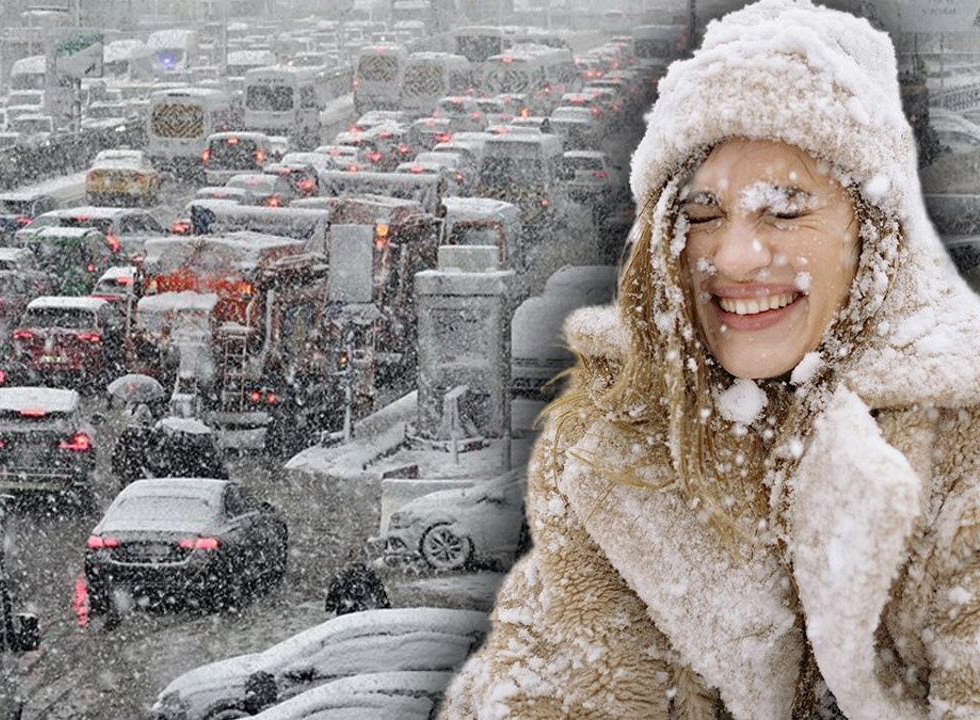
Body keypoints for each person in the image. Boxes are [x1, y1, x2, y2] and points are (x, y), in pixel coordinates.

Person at [441, 2, 980, 718]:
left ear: (873, 235)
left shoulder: (958, 459)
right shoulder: (616, 452)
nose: (732, 256)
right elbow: (549, 684)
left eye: (785, 211)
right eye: (701, 216)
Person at [325, 548, 390, 616]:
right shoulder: (341, 578)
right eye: (354, 555)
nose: (358, 558)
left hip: (364, 616)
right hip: (349, 617)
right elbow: (330, 604)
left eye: (360, 554)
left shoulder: (370, 577)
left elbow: (383, 600)